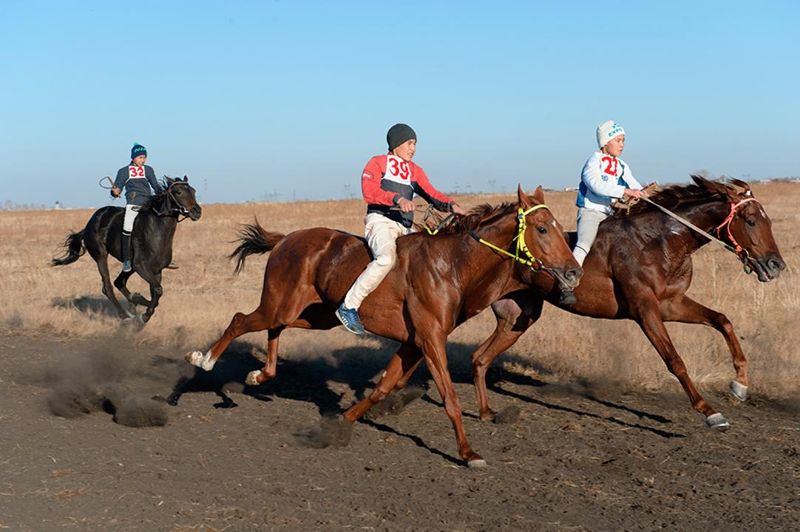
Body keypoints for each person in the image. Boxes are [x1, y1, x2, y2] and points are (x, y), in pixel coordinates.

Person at [336, 123, 467, 335]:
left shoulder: (414, 170)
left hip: (405, 227)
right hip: (381, 222)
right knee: (386, 259)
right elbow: (369, 192)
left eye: (415, 144)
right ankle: (349, 306)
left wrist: (451, 205)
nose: (413, 148)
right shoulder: (378, 162)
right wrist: (397, 198)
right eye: (410, 143)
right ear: (396, 143)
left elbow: (431, 193)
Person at [573, 120, 645, 266]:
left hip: (612, 214)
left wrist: (644, 194)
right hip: (591, 212)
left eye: (623, 141)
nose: (622, 145)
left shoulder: (622, 165)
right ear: (605, 143)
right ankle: (567, 279)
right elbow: (595, 185)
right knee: (584, 243)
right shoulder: (594, 161)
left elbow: (633, 184)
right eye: (618, 140)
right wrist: (624, 191)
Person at [110, 143, 163, 273]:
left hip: (148, 204)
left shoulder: (149, 170)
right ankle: (127, 260)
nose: (143, 160)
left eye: (144, 157)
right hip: (133, 204)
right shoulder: (123, 171)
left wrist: (162, 195)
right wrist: (114, 192)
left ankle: (163, 257)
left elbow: (156, 187)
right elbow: (117, 189)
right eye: (140, 157)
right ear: (133, 157)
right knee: (127, 228)